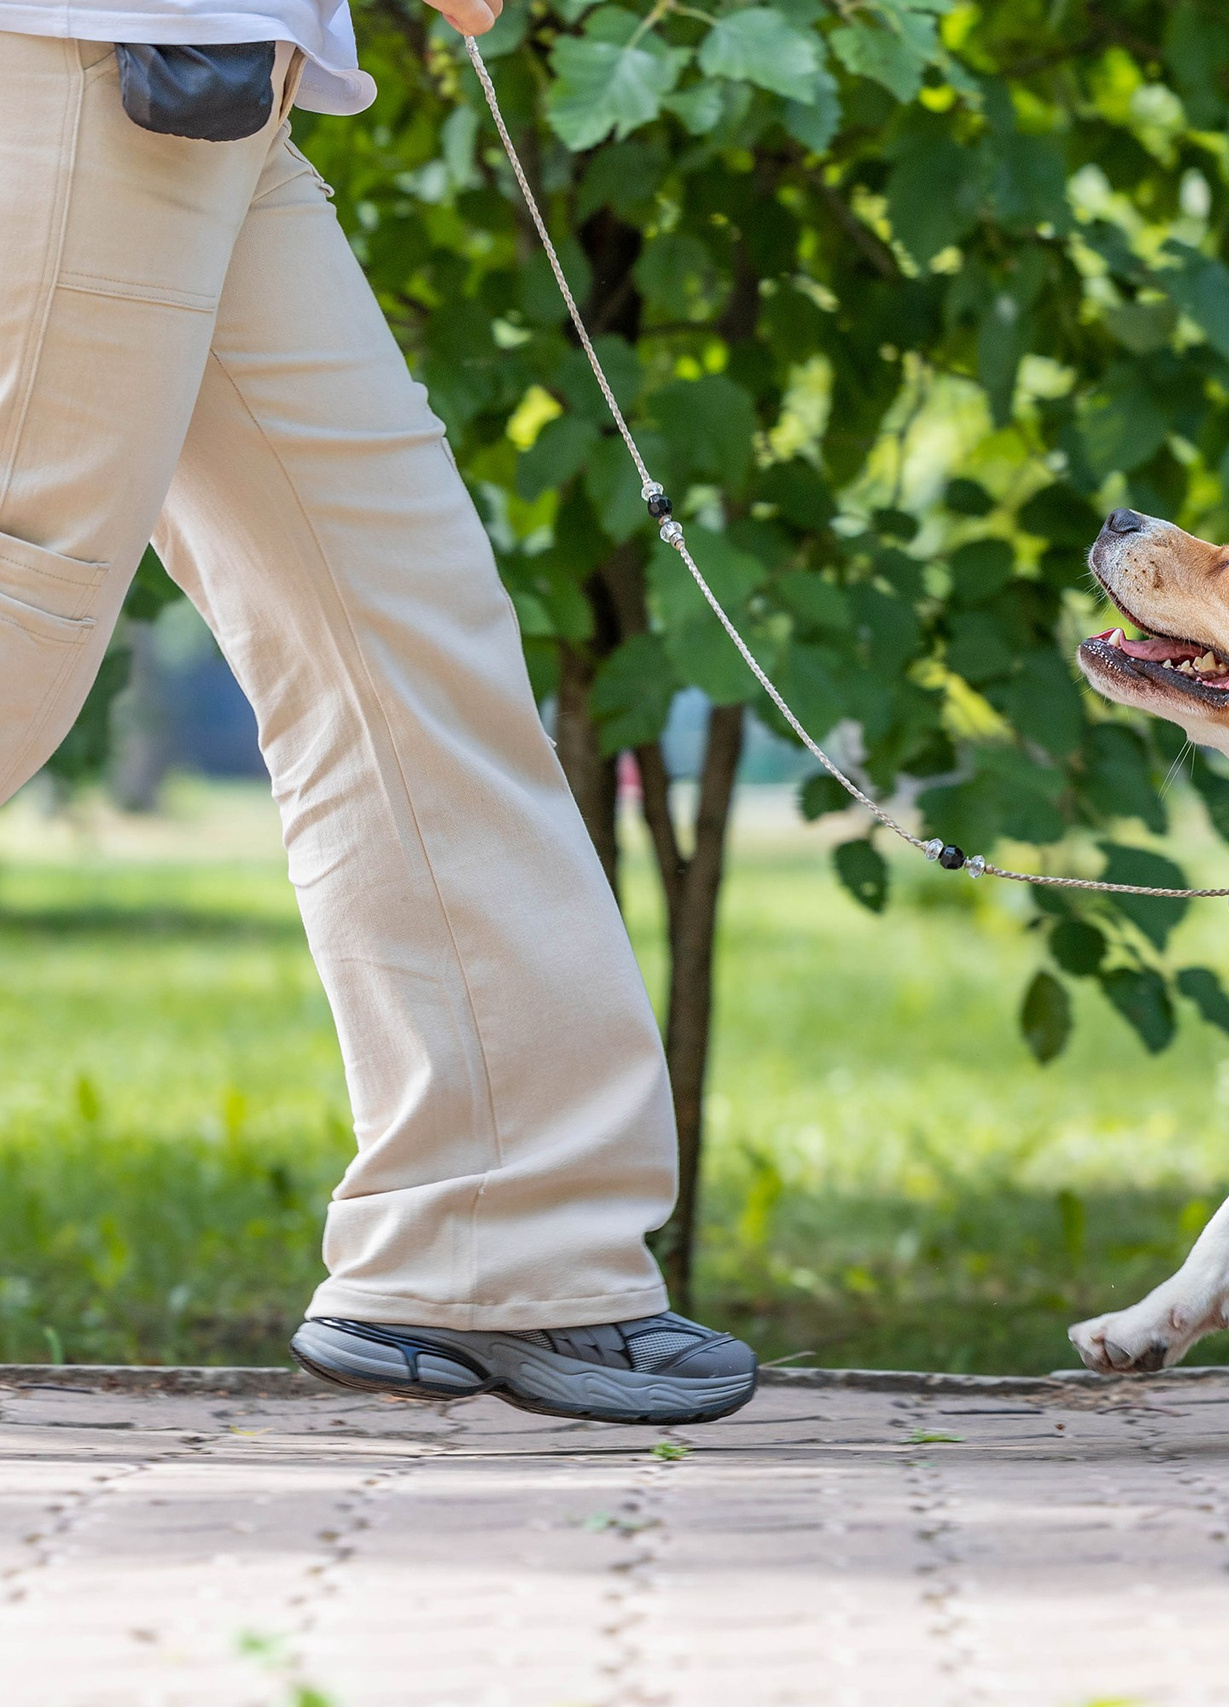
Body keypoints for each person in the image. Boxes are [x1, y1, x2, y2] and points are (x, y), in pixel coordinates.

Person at [0, 0, 758, 1424]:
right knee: (19, 621)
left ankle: (496, 1247)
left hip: (222, 74)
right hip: (87, 54)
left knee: (397, 626)